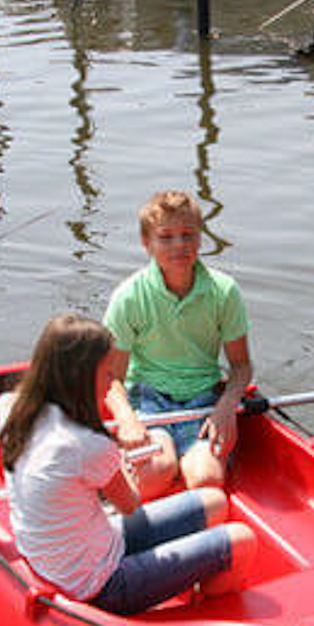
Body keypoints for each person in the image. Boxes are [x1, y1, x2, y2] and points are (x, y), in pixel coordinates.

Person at [0, 313, 256, 615]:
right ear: (80, 377)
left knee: (214, 500)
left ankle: (187, 573)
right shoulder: (89, 444)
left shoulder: (12, 408)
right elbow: (129, 504)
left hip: (90, 547)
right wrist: (121, 463)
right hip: (103, 585)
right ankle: (200, 612)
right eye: (108, 373)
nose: (113, 382)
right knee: (242, 540)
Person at [103, 191, 252, 498]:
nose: (179, 245)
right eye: (165, 237)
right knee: (155, 475)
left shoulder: (224, 291)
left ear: (200, 237)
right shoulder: (129, 296)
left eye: (188, 235)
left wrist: (226, 408)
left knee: (207, 480)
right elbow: (111, 378)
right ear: (146, 243)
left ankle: (188, 468)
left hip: (203, 401)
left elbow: (241, 367)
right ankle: (147, 469)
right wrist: (127, 420)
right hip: (149, 400)